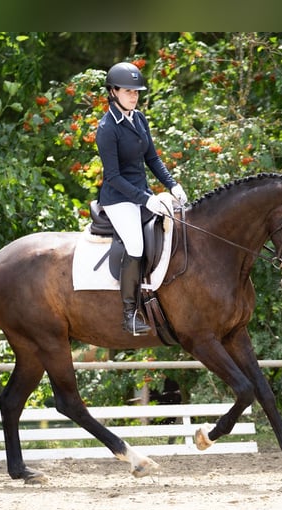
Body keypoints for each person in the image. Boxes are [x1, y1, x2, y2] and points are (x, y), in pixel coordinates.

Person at [95, 61, 188, 335]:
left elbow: (152, 158)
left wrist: (172, 185)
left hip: (141, 194)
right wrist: (144, 199)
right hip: (118, 198)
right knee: (135, 245)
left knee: (174, 225)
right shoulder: (107, 128)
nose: (134, 96)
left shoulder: (139, 118)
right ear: (113, 92)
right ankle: (129, 314)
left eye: (136, 92)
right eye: (128, 91)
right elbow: (112, 176)